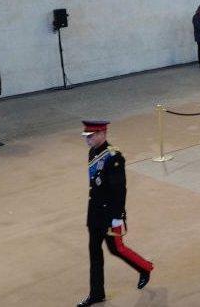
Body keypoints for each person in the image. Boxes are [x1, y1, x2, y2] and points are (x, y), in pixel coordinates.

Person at [78, 120, 153, 307]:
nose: (88, 140)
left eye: (91, 136)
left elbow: (119, 190)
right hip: (94, 213)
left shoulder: (114, 157)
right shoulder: (92, 152)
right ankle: (96, 293)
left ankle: (145, 267)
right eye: (87, 137)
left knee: (116, 249)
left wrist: (117, 217)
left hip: (110, 214)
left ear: (102, 134)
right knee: (94, 253)